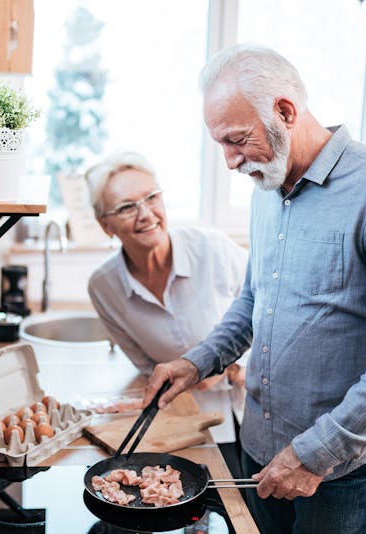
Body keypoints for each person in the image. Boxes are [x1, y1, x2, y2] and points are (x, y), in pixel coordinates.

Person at [142, 44, 366, 533]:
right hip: (260, 448)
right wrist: (196, 362)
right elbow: (251, 303)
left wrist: (313, 454)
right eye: (220, 144)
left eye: (236, 140)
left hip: (341, 470)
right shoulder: (266, 189)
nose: (229, 161)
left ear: (285, 112)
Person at [85, 150, 249, 478]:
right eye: (127, 207)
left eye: (152, 197)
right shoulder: (104, 288)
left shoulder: (212, 249)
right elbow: (147, 366)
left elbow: (271, 311)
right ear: (106, 226)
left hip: (250, 410)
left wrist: (235, 365)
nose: (145, 214)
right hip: (182, 425)